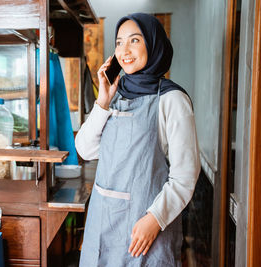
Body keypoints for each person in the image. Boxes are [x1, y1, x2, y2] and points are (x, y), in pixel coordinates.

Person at [76, 13, 200, 266]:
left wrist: (154, 219)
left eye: (134, 40)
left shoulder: (172, 99)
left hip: (145, 229)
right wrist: (102, 101)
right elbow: (85, 150)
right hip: (103, 224)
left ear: (154, 45)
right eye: (119, 42)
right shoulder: (114, 95)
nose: (125, 50)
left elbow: (185, 175)